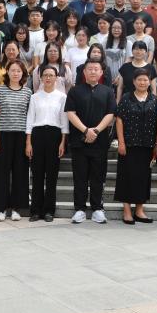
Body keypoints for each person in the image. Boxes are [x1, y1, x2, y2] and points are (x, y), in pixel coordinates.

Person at [66, 60, 117, 224]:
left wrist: (95, 131)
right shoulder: (75, 91)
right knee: (79, 176)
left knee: (98, 176)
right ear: (84, 72)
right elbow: (70, 113)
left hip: (100, 141)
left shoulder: (108, 91)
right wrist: (85, 130)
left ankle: (97, 208)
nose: (93, 71)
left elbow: (111, 114)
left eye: (96, 69)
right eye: (90, 69)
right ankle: (79, 209)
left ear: (101, 72)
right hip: (79, 141)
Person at [114, 68, 157, 225]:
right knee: (126, 176)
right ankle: (127, 211)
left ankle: (139, 210)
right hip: (129, 144)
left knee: (143, 177)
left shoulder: (154, 100)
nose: (142, 82)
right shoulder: (126, 98)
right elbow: (119, 120)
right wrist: (121, 142)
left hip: (147, 145)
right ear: (133, 82)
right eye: (139, 79)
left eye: (145, 80)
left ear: (150, 82)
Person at [26, 65, 69, 222]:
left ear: (56, 78)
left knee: (52, 175)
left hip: (54, 135)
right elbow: (30, 119)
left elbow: (64, 121)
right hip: (37, 135)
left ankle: (49, 210)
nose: (48, 78)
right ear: (41, 78)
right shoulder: (34, 97)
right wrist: (28, 142)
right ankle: (35, 211)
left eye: (51, 75)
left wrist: (63, 142)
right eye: (45, 75)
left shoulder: (62, 97)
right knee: (37, 174)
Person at [0, 60, 31, 222]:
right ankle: (1, 208)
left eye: (19, 71)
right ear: (7, 72)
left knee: (20, 173)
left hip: (21, 136)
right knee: (1, 172)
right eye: (13, 70)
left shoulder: (28, 92)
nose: (15, 73)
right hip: (3, 135)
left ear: (23, 74)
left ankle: (16, 208)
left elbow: (29, 117)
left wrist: (29, 141)